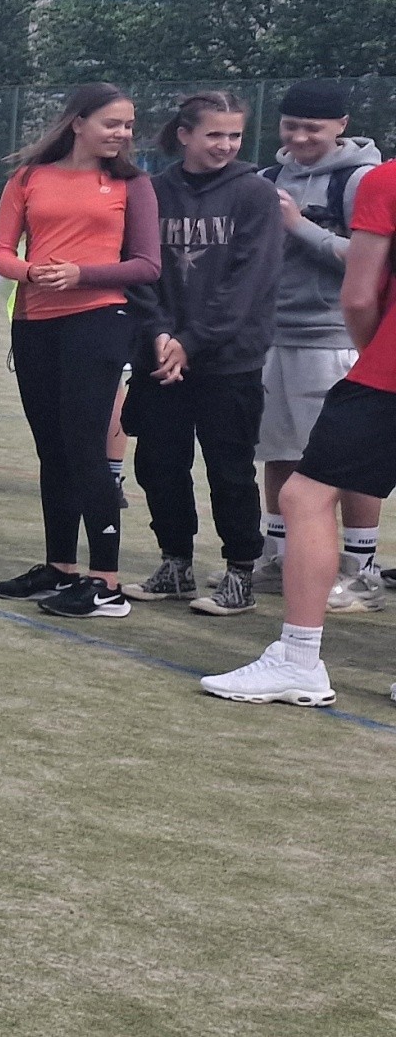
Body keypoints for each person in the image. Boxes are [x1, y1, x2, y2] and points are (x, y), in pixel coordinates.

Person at [201, 152, 396, 707]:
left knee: (305, 495)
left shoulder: (386, 181)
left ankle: (299, 659)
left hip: (388, 370)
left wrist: (374, 355)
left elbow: (358, 295)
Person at [0, 84, 161, 618]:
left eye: (128, 125)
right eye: (112, 123)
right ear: (78, 122)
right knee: (53, 450)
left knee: (85, 448)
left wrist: (82, 274)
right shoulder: (28, 177)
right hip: (33, 323)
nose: (122, 134)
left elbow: (147, 265)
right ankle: (59, 566)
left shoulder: (134, 184)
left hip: (99, 320)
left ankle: (105, 582)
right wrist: (30, 272)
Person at [118, 94, 282, 612]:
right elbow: (139, 269)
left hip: (229, 359)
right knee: (159, 464)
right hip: (160, 356)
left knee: (229, 470)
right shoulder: (151, 191)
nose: (226, 145)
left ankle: (239, 574)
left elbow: (248, 283)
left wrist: (191, 341)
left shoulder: (255, 193)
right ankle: (175, 566)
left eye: (234, 135)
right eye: (214, 134)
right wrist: (160, 334)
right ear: (185, 134)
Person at [253, 81, 385, 610]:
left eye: (314, 127)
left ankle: (360, 569)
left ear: (342, 126)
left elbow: (368, 259)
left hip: (335, 337)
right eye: (291, 126)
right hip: (275, 335)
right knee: (278, 450)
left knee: (343, 461)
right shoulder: (269, 178)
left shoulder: (361, 180)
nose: (301, 137)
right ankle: (279, 556)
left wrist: (299, 225)